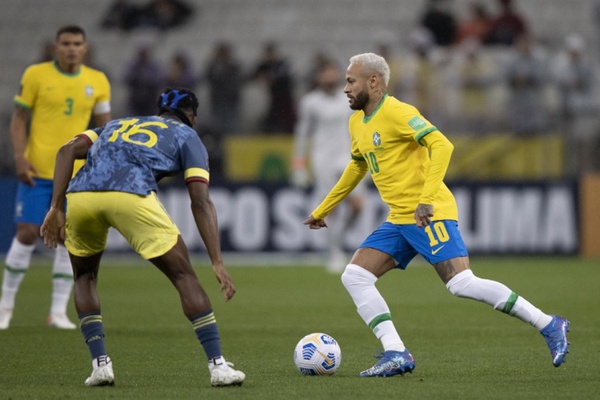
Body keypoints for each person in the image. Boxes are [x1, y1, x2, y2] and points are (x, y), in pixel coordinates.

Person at [304, 53, 570, 377]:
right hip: (400, 218)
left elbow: (442, 145)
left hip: (429, 214)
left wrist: (426, 201)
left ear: (373, 82)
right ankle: (396, 352)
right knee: (355, 276)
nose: (345, 88)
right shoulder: (356, 122)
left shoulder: (398, 112)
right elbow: (357, 166)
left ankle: (548, 323)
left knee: (461, 283)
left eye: (351, 81)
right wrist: (323, 209)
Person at [40, 88, 245, 387]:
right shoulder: (188, 136)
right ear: (192, 117)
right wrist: (217, 260)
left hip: (81, 196)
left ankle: (100, 366)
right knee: (183, 276)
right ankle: (218, 367)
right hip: (131, 195)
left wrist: (56, 207)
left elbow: (65, 151)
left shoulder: (115, 125)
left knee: (84, 277)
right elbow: (200, 201)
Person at [0, 25, 111, 330]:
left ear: (85, 48)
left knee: (66, 239)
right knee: (26, 233)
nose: (71, 48)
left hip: (75, 175)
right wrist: (20, 157)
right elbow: (19, 119)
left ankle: (57, 312)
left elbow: (105, 127)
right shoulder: (36, 74)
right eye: (66, 43)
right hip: (37, 170)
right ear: (55, 47)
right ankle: (4, 308)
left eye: (77, 43)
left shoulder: (97, 80)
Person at [292, 62, 364, 273]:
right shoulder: (311, 102)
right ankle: (335, 252)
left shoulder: (348, 98)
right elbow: (302, 134)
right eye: (326, 75)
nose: (330, 79)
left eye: (333, 75)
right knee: (332, 207)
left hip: (347, 156)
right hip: (322, 158)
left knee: (358, 205)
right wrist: (298, 164)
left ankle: (338, 240)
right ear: (319, 78)